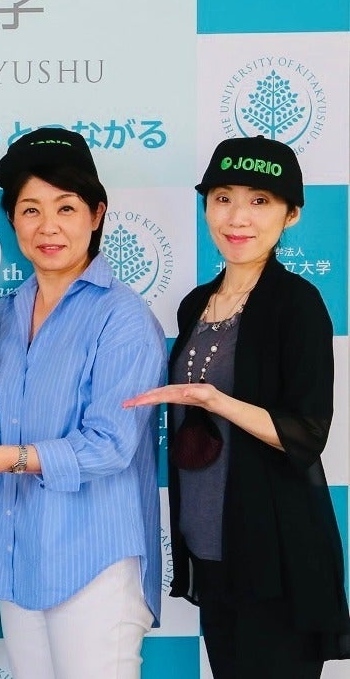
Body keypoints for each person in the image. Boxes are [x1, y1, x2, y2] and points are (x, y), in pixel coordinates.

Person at [0, 127, 165, 679]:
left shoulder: (122, 317)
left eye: (66, 207)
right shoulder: (7, 312)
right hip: (20, 548)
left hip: (95, 556)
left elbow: (110, 447)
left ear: (96, 215)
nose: (48, 226)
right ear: (12, 220)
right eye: (30, 209)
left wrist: (6, 459)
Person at [124, 136, 350, 677]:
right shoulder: (195, 304)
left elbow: (307, 433)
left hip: (275, 553)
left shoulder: (297, 304)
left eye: (260, 201)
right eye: (223, 198)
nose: (237, 217)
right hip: (209, 546)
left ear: (291, 215)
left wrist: (215, 401)